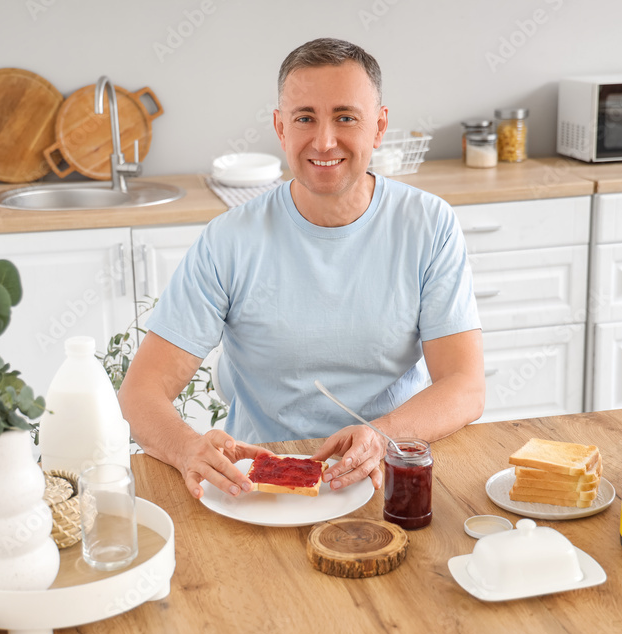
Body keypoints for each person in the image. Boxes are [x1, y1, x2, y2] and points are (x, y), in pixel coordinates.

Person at [118, 37, 485, 500]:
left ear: (379, 126)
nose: (324, 141)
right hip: (258, 484)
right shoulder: (228, 240)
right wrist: (189, 449)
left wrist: (379, 434)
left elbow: (465, 386)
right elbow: (140, 393)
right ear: (280, 128)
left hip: (388, 466)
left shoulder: (429, 225)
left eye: (346, 117)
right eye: (305, 118)